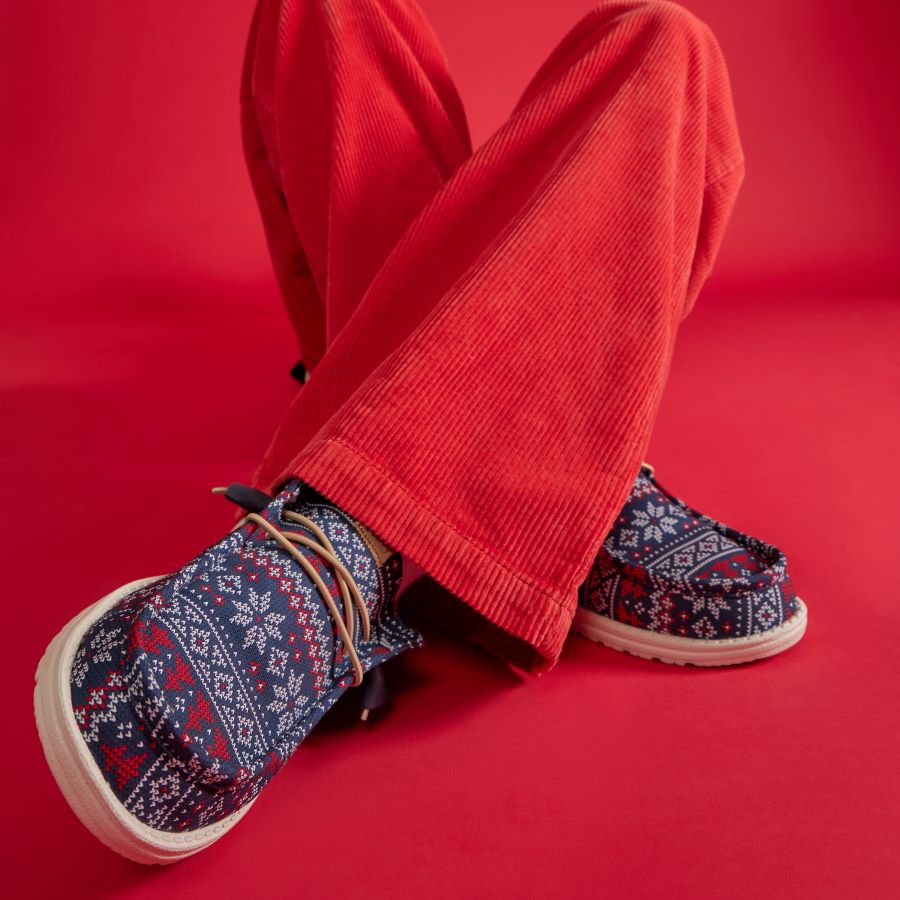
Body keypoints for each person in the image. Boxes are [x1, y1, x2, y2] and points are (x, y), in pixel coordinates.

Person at [33, 0, 806, 863]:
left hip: (379, 350)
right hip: (366, 317)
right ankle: (559, 445)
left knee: (669, 43)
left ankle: (373, 503)